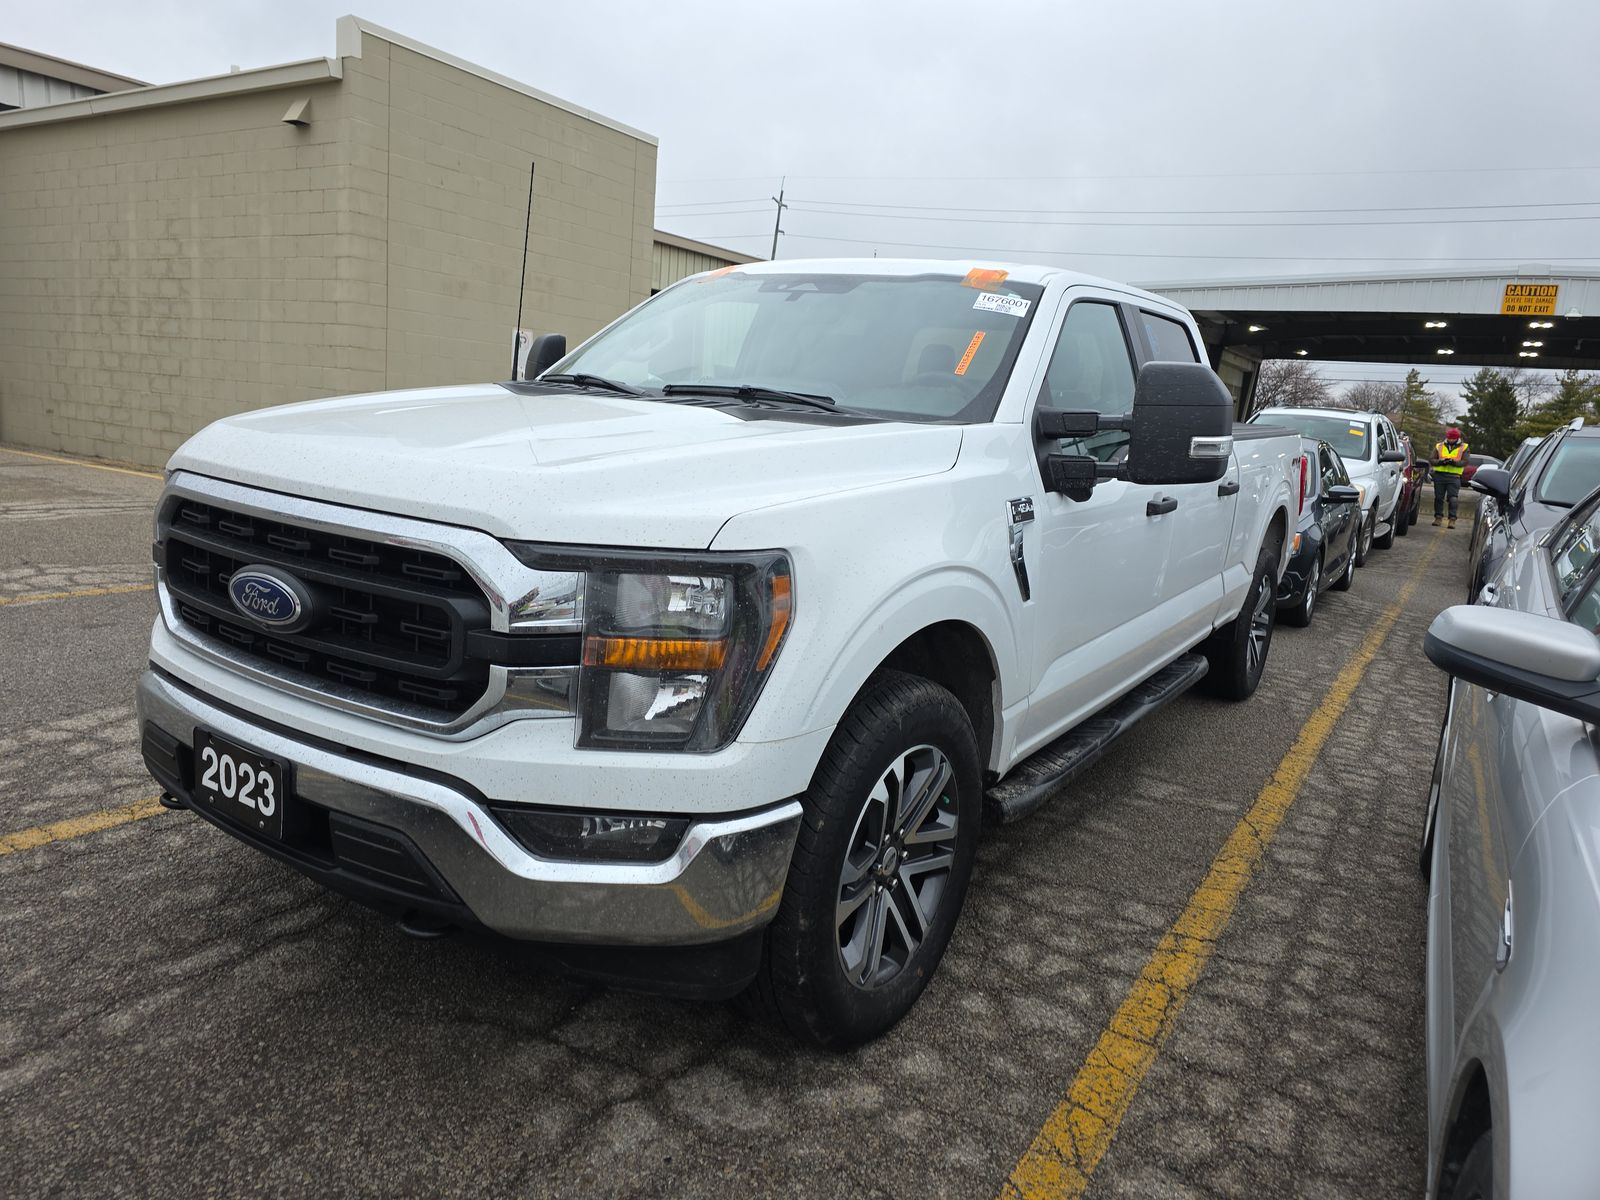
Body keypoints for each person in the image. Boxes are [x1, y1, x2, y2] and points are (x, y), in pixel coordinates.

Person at [1431, 426, 1469, 528]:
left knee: (1453, 499)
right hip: (1439, 475)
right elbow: (1432, 459)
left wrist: (1454, 463)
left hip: (1454, 476)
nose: (1451, 440)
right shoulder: (1439, 446)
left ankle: (1452, 519)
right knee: (1439, 498)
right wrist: (1441, 462)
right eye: (1449, 438)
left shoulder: (1464, 447)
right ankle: (1438, 517)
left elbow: (1465, 461)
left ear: (1457, 438)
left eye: (1453, 438)